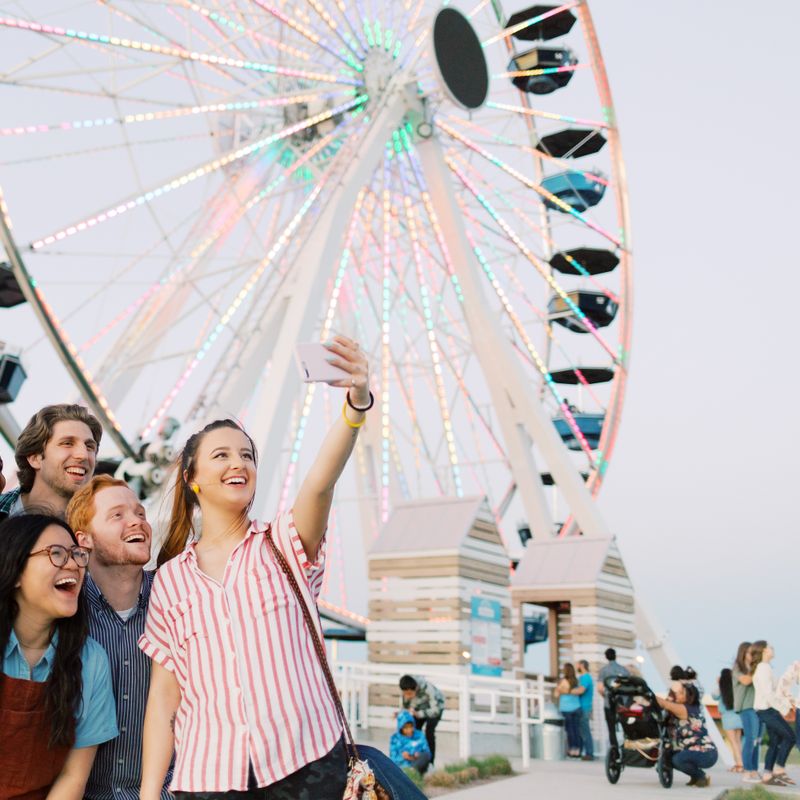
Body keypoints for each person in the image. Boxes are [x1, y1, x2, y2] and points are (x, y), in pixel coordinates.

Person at [138, 336, 425, 800]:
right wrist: (150, 792)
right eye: (222, 455)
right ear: (191, 479)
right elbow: (163, 699)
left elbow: (319, 483)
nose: (239, 464)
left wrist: (356, 404)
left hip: (307, 764)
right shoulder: (171, 580)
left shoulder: (283, 544)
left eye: (247, 455)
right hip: (209, 776)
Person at [66, 475, 172, 800]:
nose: (137, 521)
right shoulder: (66, 609)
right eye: (118, 515)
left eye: (140, 513)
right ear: (84, 539)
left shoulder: (175, 598)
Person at [0, 512, 118, 798]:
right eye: (55, 553)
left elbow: (73, 777)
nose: (74, 564)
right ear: (14, 571)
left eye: (77, 555)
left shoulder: (91, 660)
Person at [0, 404, 101, 520]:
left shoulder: (101, 532)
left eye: (89, 446)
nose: (83, 455)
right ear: (34, 458)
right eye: (67, 443)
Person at [656, 680, 718, 788]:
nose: (677, 695)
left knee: (678, 759)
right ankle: (696, 777)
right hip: (693, 750)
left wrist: (648, 694)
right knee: (670, 758)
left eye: (680, 693)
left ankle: (701, 776)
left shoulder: (687, 709)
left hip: (707, 753)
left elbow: (665, 704)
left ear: (689, 696)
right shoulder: (682, 709)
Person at [751, 640, 796, 786]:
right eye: (770, 647)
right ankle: (779, 769)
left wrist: (789, 701)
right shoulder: (763, 668)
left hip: (766, 710)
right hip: (767, 711)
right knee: (790, 737)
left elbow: (777, 689)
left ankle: (767, 775)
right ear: (764, 651)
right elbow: (769, 694)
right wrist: (784, 709)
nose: (773, 648)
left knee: (775, 742)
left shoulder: (766, 668)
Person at [399, 674, 445, 764]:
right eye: (406, 694)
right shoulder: (406, 692)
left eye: (410, 694)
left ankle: (430, 763)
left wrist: (419, 714)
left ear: (415, 688)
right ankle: (414, 760)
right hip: (419, 709)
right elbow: (405, 709)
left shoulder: (428, 689)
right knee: (413, 730)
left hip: (435, 709)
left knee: (429, 732)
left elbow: (435, 710)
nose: (408, 696)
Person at [733, 641, 761, 783]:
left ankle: (754, 770)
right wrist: (756, 668)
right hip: (746, 707)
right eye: (751, 652)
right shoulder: (738, 668)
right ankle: (747, 771)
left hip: (759, 707)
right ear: (743, 653)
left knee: (758, 740)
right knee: (750, 739)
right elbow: (746, 681)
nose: (753, 655)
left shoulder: (756, 668)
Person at [598, 647, 629, 750]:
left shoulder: (604, 670)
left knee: (611, 728)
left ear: (606, 657)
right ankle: (627, 745)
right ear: (615, 656)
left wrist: (606, 696)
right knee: (626, 725)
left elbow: (600, 689)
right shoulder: (624, 670)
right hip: (623, 703)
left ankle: (614, 748)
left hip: (609, 702)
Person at [715, 668, 743, 772]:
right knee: (738, 741)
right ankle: (739, 764)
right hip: (738, 717)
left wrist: (718, 684)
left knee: (733, 743)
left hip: (727, 718)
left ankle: (740, 764)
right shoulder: (736, 687)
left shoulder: (722, 688)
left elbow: (714, 696)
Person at [390, 711, 432, 775]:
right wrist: (403, 756)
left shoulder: (419, 735)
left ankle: (412, 771)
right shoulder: (395, 738)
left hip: (417, 764)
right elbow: (393, 758)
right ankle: (409, 773)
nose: (409, 730)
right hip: (402, 766)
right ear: (400, 727)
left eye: (411, 726)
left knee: (426, 755)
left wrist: (416, 755)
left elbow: (427, 753)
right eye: (406, 727)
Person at [554, 662, 582, 757]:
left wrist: (560, 690)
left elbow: (556, 694)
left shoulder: (563, 681)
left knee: (570, 731)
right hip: (577, 707)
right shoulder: (577, 681)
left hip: (566, 709)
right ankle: (577, 750)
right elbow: (578, 692)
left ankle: (572, 750)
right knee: (576, 730)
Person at [573, 659, 595, 761]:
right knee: (581, 731)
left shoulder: (586, 677)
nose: (576, 667)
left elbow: (581, 690)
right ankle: (583, 752)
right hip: (581, 707)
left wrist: (568, 691)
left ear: (582, 665)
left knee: (585, 731)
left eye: (577, 664)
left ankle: (589, 753)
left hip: (584, 707)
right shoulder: (582, 677)